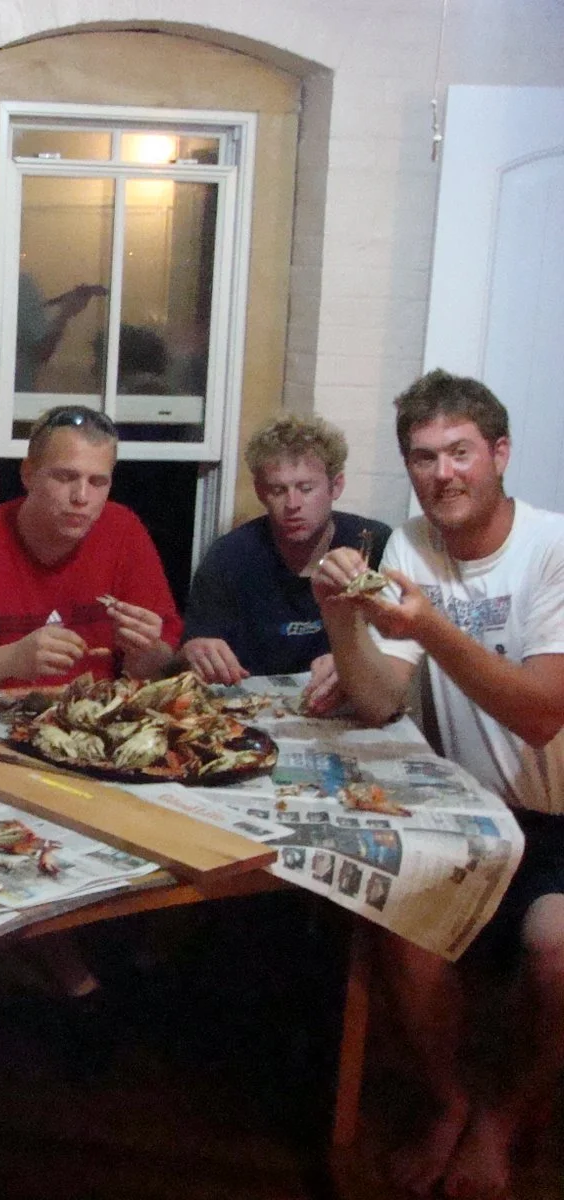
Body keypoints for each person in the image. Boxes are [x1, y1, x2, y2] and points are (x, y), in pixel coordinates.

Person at [315, 369, 564, 1199]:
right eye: (423, 458)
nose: (443, 473)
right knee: (397, 917)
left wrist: (431, 625)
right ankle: (452, 1101)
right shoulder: (408, 544)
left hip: (557, 820)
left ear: (498, 455)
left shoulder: (553, 547)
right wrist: (339, 617)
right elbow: (382, 696)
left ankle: (501, 1121)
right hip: (464, 811)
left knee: (559, 955)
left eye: (460, 453)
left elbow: (538, 715)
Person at [0, 405, 181, 696]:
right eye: (65, 477)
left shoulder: (124, 532)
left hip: (98, 721)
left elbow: (158, 669)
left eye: (97, 482)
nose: (81, 497)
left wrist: (147, 651)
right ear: (28, 474)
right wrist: (10, 660)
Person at [179, 414, 391, 711]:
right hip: (254, 711)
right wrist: (196, 652)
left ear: (336, 486)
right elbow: (190, 652)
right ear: (260, 492)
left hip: (352, 709)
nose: (293, 505)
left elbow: (399, 648)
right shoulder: (229, 557)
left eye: (306, 489)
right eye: (278, 490)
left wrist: (353, 660)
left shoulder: (374, 544)